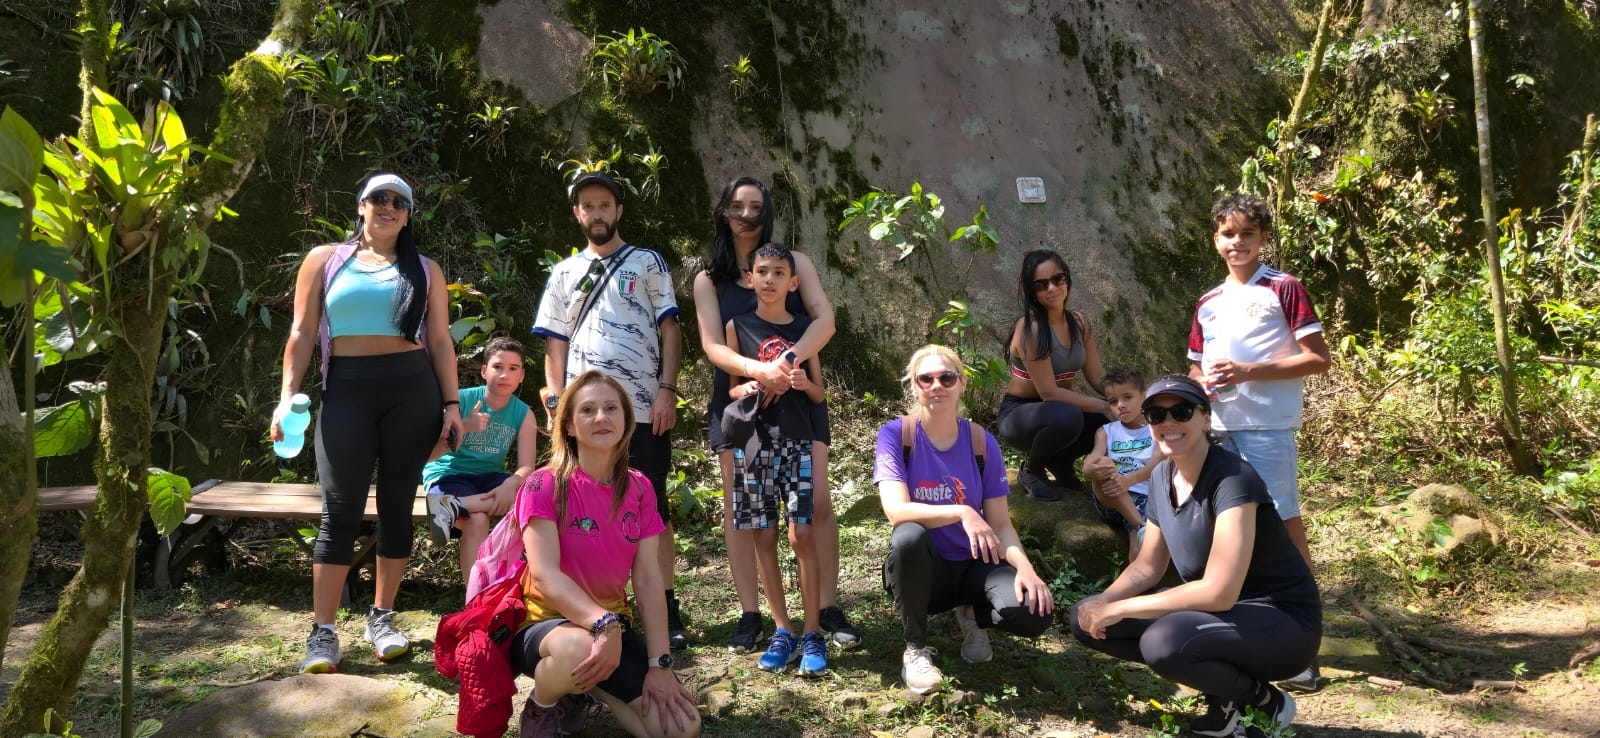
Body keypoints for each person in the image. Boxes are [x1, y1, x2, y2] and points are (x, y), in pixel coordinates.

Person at [271, 173, 463, 673]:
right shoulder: (325, 260)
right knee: (341, 508)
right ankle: (323, 633)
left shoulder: (425, 269)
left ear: (408, 214)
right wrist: (286, 396)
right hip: (347, 393)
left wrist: (451, 406)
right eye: (380, 198)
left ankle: (383, 617)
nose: (389, 207)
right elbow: (302, 330)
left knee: (398, 506)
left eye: (400, 201)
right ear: (361, 206)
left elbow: (440, 341)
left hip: (412, 391)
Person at [1069, 375, 1320, 738]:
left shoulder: (1233, 479)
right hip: (1219, 618)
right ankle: (1225, 693)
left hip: (1281, 623)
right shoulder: (1162, 476)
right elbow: (1147, 566)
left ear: (1205, 417)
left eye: (1181, 411)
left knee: (1164, 642)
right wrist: (1105, 602)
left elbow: (1220, 592)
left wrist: (1122, 608)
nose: (1168, 423)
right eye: (1156, 414)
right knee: (1085, 617)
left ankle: (1264, 701)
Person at [691, 176, 859, 653]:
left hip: (800, 401)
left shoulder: (793, 260)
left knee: (817, 503)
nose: (747, 215)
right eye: (737, 206)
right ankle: (752, 614)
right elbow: (710, 344)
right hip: (741, 402)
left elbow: (824, 322)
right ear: (723, 211)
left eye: (756, 207)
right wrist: (759, 371)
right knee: (743, 512)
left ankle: (825, 607)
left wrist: (786, 365)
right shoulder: (710, 278)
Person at [532, 171, 686, 647]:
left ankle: (664, 605)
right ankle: (589, 604)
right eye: (587, 206)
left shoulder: (647, 262)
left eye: (604, 205)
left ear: (618, 211)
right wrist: (557, 398)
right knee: (578, 501)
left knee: (651, 507)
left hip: (642, 407)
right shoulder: (564, 272)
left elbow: (670, 329)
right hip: (583, 413)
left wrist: (666, 390)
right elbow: (554, 339)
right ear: (576, 214)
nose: (596, 213)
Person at [508, 371, 701, 738]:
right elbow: (546, 576)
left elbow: (647, 577)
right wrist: (603, 624)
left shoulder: (640, 488)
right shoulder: (543, 484)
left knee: (681, 728)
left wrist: (659, 665)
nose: (601, 417)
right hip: (545, 625)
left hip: (610, 632)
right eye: (588, 410)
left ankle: (583, 688)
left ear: (627, 420)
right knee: (578, 647)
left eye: (611, 408)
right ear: (567, 425)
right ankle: (545, 703)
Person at [1188, 193, 1330, 690]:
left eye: (1248, 234)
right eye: (1228, 234)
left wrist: (1249, 371)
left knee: (1285, 524)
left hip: (1267, 427)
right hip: (1218, 430)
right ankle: (1246, 628)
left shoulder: (1284, 288)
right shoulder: (1207, 301)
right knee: (1225, 531)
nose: (1237, 243)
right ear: (1215, 241)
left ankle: (1305, 642)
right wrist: (1202, 387)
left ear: (1264, 239)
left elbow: (1317, 358)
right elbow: (1195, 364)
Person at [875, 345, 1055, 694]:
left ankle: (972, 616)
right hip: (926, 573)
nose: (936, 385)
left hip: (976, 565)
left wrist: (1027, 569)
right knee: (907, 536)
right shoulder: (897, 436)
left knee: (1035, 613)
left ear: (961, 384)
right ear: (914, 387)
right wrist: (961, 510)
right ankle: (914, 649)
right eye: (925, 379)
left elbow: (1001, 525)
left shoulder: (980, 442)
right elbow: (896, 511)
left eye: (946, 377)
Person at [723, 242, 830, 675]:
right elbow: (729, 389)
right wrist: (747, 387)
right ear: (749, 278)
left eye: (778, 272)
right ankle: (781, 630)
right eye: (761, 271)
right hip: (755, 445)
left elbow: (820, 393)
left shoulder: (807, 330)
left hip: (799, 442)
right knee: (763, 537)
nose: (769, 279)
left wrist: (803, 382)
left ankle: (812, 632)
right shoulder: (738, 325)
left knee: (801, 535)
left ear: (794, 281)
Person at [1000, 250, 1112, 502]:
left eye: (1057, 279)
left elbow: (1097, 377)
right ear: (1032, 291)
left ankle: (1060, 462)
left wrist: (1124, 401)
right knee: (1070, 415)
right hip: (1020, 415)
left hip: (1057, 410)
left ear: (1067, 280)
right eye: (1041, 284)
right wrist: (1104, 405)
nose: (1051, 288)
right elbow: (1048, 393)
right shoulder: (1032, 329)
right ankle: (1031, 469)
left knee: (1110, 420)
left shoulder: (1079, 323)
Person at [422, 336, 538, 575]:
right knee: (477, 520)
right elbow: (427, 456)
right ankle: (474, 602)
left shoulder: (524, 414)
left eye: (512, 368)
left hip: (490, 479)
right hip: (449, 475)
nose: (504, 375)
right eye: (498, 367)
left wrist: (511, 482)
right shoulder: (460, 401)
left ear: (522, 375)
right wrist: (464, 426)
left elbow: (527, 466)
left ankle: (451, 507)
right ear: (484, 371)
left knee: (533, 501)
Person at [1082, 366, 1166, 562]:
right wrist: (1095, 468)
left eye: (1127, 397)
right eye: (1113, 401)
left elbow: (1157, 462)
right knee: (1103, 463)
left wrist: (1129, 480)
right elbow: (1088, 465)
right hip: (1111, 499)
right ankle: (1140, 525)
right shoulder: (1106, 431)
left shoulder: (1156, 428)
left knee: (1138, 545)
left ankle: (1137, 529)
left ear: (1144, 396)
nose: (1120, 405)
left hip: (1146, 496)